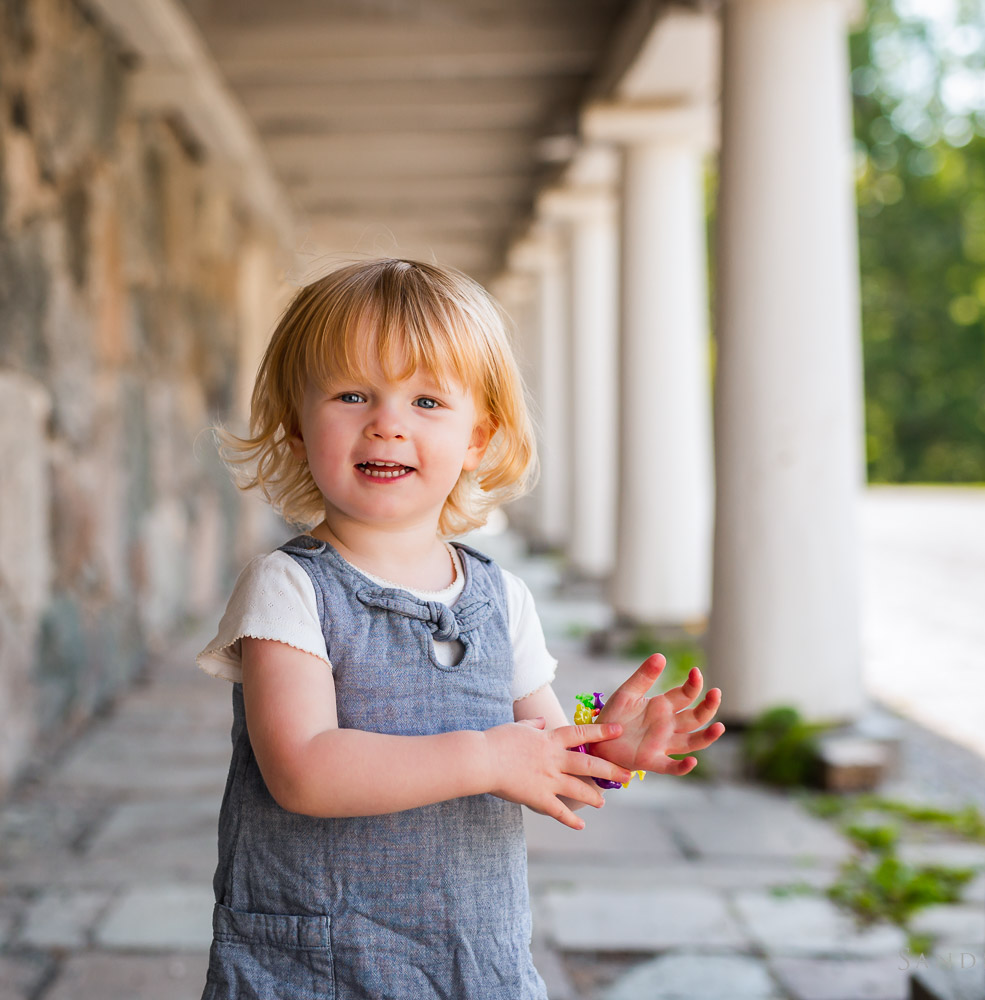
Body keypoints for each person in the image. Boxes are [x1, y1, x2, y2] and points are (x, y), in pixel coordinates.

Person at [195, 257, 725, 999]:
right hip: (318, 964)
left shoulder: (501, 599)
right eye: (352, 394)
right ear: (294, 424)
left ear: (479, 437)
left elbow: (541, 751)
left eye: (426, 401)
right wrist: (483, 757)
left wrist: (606, 747)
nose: (387, 422)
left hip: (469, 963)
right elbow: (303, 769)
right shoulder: (289, 589)